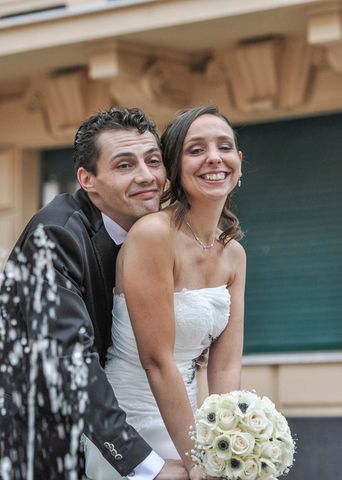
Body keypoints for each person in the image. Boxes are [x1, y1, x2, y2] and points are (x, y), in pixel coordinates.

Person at [0, 107, 189, 479]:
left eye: (153, 161)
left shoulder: (156, 236)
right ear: (88, 179)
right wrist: (143, 465)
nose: (147, 176)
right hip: (15, 438)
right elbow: (70, 358)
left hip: (97, 428)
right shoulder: (55, 235)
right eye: (124, 166)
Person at [84, 105, 246, 480]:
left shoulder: (234, 254)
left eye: (224, 147)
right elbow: (156, 361)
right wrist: (196, 460)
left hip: (189, 419)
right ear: (174, 166)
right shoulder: (153, 234)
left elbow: (225, 365)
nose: (214, 159)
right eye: (196, 149)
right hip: (133, 429)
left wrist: (225, 445)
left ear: (238, 160)